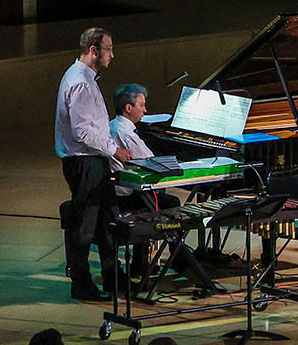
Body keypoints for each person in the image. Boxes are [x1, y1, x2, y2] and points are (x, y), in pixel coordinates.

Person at [109, 84, 216, 296]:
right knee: (171, 204)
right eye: (142, 105)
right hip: (126, 196)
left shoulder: (113, 125)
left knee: (163, 200)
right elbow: (150, 161)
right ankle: (168, 260)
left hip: (118, 192)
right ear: (129, 108)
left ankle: (167, 258)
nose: (145, 110)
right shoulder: (126, 133)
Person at [57, 27, 128, 301]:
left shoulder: (85, 77)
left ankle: (113, 276)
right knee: (85, 226)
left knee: (108, 220)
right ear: (93, 50)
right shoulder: (80, 83)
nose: (112, 55)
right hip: (84, 162)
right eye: (109, 49)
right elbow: (82, 132)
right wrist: (114, 149)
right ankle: (81, 283)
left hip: (93, 161)